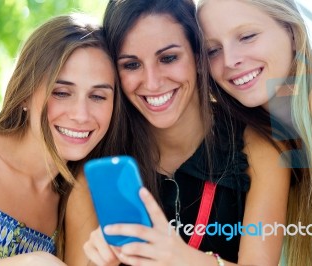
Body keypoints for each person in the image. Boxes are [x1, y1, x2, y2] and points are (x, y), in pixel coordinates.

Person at [66, 0, 292, 265]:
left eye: (169, 58)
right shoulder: (98, 170)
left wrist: (180, 258)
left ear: (199, 57)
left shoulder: (259, 147)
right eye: (131, 65)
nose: (152, 82)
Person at [196, 0, 312, 265]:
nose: (230, 60)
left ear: (292, 32)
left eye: (247, 37)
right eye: (212, 50)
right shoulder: (236, 145)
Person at [0, 13, 119, 264]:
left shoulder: (76, 198)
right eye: (62, 92)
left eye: (98, 96)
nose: (81, 115)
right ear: (25, 93)